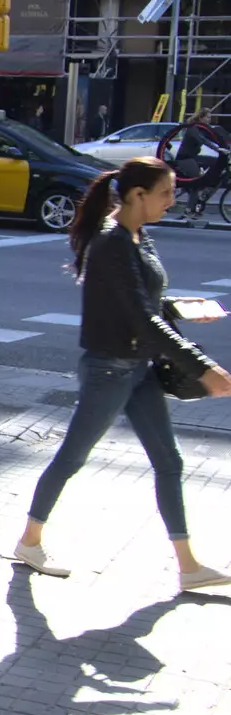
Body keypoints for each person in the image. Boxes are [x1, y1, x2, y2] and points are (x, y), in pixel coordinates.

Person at [13, 157, 231, 592]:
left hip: (139, 367)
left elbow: (147, 304)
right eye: (166, 192)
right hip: (109, 371)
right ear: (138, 195)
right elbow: (138, 316)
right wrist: (202, 367)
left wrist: (182, 309)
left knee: (169, 461)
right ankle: (29, 540)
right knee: (72, 457)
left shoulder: (136, 237)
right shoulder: (111, 242)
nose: (173, 200)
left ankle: (188, 566)